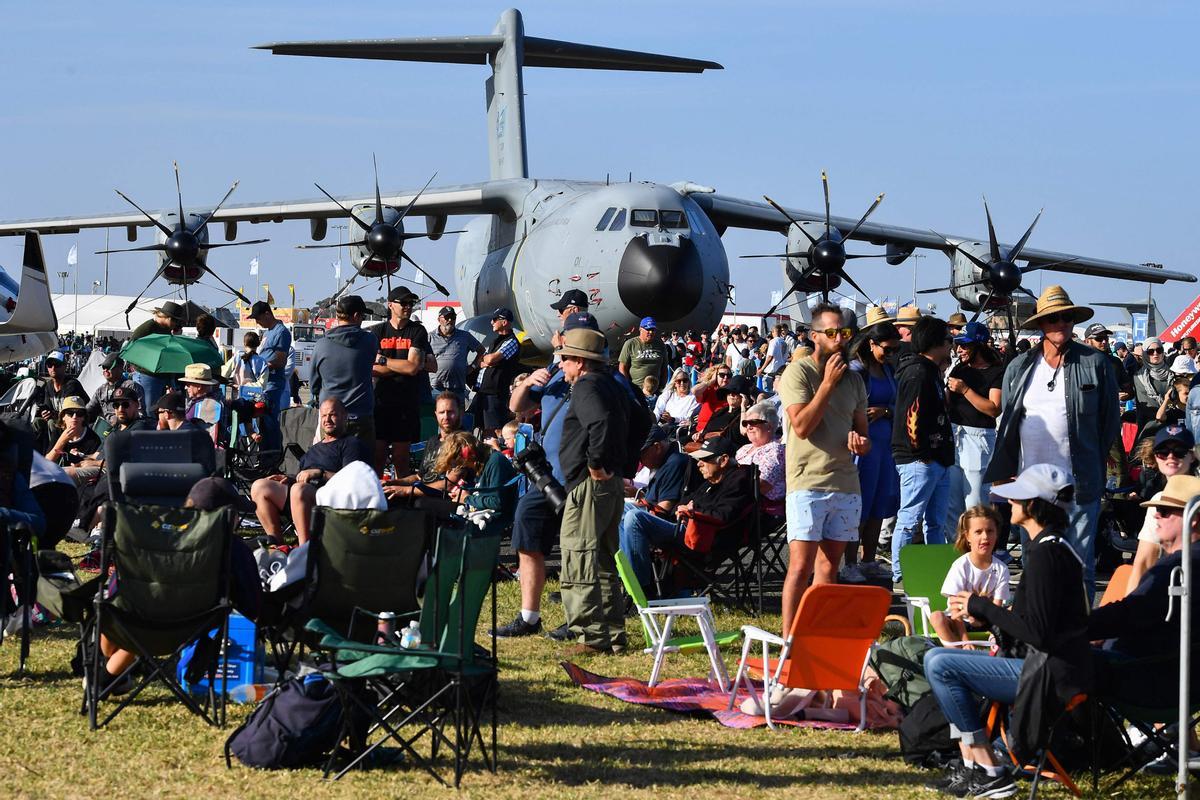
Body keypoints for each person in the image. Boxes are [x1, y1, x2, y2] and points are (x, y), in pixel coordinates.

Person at [924, 464, 1089, 799]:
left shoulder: (1045, 554)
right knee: (940, 655)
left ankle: (989, 769)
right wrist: (987, 619)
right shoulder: (1052, 548)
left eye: (1017, 499)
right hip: (1049, 666)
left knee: (940, 664)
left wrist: (981, 607)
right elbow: (1037, 621)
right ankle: (973, 764)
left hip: (1045, 675)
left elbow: (1038, 633)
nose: (1009, 505)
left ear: (1033, 506)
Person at [984, 285, 1120, 598]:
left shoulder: (1095, 363)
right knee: (1034, 565)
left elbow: (1109, 422)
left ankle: (1081, 639)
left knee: (1078, 566)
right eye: (1053, 318)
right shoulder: (1019, 367)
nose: (1061, 323)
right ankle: (1038, 636)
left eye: (1067, 318)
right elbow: (1007, 421)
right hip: (1030, 485)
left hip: (1079, 482)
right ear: (1042, 324)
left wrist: (1092, 461)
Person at [494, 313, 596, 639]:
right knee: (526, 525)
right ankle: (529, 616)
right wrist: (527, 381)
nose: (561, 338)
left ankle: (578, 617)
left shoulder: (597, 379)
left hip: (579, 477)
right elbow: (516, 406)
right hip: (546, 476)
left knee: (575, 548)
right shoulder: (554, 373)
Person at [778, 303, 869, 635]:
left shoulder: (855, 380)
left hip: (845, 482)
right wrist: (827, 384)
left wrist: (861, 442)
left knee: (830, 567)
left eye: (844, 332)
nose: (839, 339)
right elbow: (801, 426)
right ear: (814, 336)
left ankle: (817, 636)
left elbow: (865, 436)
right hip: (807, 481)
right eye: (831, 332)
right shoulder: (798, 373)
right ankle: (790, 641)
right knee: (800, 567)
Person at [553, 327, 629, 655]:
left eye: (566, 359)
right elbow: (641, 419)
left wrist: (596, 464)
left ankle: (592, 639)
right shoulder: (610, 384)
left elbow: (599, 424)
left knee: (579, 559)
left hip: (590, 484)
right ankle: (613, 633)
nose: (562, 365)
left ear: (580, 363)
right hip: (609, 482)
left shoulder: (585, 387)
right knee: (603, 561)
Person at [619, 437, 754, 596]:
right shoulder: (710, 481)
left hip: (702, 534)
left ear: (723, 460)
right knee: (622, 508)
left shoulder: (737, 481)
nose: (699, 464)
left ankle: (640, 588)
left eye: (705, 459)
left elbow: (725, 515)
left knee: (635, 518)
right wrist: (684, 509)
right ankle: (627, 576)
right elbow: (682, 503)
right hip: (683, 525)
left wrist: (693, 513)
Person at [250, 397, 372, 546]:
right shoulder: (315, 448)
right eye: (324, 416)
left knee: (298, 489)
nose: (327, 419)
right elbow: (303, 475)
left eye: (333, 415)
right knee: (260, 486)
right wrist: (288, 478)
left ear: (344, 417)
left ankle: (305, 549)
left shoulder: (351, 444)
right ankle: (277, 544)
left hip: (329, 501)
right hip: (300, 496)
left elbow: (353, 483)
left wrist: (320, 473)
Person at [890, 316, 955, 585]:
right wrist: (921, 452)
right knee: (910, 518)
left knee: (935, 521)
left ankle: (936, 569)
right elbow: (912, 416)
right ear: (936, 343)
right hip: (921, 459)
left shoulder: (930, 371)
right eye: (949, 340)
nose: (952, 346)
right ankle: (900, 573)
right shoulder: (918, 372)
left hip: (937, 457)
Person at [845, 320, 900, 581]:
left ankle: (868, 560)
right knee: (860, 506)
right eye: (887, 349)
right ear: (871, 344)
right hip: (862, 447)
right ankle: (850, 563)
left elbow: (898, 405)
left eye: (894, 350)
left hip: (884, 445)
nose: (891, 354)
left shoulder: (887, 370)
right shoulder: (856, 370)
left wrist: (886, 411)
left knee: (878, 504)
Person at [944, 321, 1003, 533]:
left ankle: (981, 552)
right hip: (955, 433)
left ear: (979, 346)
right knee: (952, 504)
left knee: (975, 502)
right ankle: (955, 554)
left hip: (978, 438)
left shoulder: (996, 371)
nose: (959, 349)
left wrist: (965, 389)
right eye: (957, 344)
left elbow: (994, 408)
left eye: (965, 345)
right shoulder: (959, 367)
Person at [1127, 424, 1198, 593]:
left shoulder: (1197, 496)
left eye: (1179, 451)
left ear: (1192, 456)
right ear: (1155, 457)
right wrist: (1128, 608)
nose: (1170, 457)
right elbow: (1143, 562)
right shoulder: (1158, 500)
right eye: (1163, 452)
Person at [927, 505, 1010, 644]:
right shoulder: (961, 566)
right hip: (960, 621)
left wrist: (989, 626)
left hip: (988, 621)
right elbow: (955, 609)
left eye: (990, 531)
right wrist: (965, 641)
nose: (985, 537)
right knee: (936, 617)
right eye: (978, 532)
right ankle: (956, 649)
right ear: (968, 537)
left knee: (1014, 611)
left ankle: (995, 643)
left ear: (997, 534)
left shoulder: (1001, 569)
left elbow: (997, 608)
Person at [373, 287, 430, 476]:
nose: (408, 306)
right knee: (378, 455)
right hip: (380, 402)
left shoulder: (417, 331)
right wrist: (401, 366)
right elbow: (371, 369)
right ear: (390, 305)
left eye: (411, 303)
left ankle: (401, 496)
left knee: (401, 457)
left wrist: (383, 360)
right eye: (403, 303)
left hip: (406, 403)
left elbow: (412, 367)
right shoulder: (378, 331)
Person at [310, 295, 379, 446]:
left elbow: (314, 384)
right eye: (363, 316)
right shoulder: (370, 341)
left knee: (329, 464)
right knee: (361, 466)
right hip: (360, 417)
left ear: (337, 315)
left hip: (330, 419)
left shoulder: (321, 345)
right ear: (356, 316)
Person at [469, 307, 522, 440]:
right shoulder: (496, 341)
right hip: (483, 392)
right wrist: (486, 360)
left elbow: (491, 359)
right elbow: (483, 360)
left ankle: (497, 452)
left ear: (504, 322)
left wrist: (489, 360)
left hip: (495, 394)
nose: (491, 322)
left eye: (494, 319)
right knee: (474, 423)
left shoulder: (511, 342)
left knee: (494, 429)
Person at [249, 301, 292, 453]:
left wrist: (262, 366)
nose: (257, 322)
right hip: (263, 383)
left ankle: (272, 454)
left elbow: (281, 361)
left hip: (272, 383)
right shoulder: (268, 332)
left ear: (267, 314)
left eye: (258, 318)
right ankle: (265, 453)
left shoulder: (281, 332)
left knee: (269, 421)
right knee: (262, 421)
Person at [128, 301, 185, 409]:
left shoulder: (166, 330)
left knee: (156, 410)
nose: (176, 324)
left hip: (159, 376)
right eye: (175, 321)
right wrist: (142, 367)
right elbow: (130, 348)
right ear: (169, 318)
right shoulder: (148, 328)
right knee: (148, 410)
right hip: (147, 375)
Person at [735, 401, 785, 517]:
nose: (748, 426)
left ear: (769, 426)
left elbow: (761, 486)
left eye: (753, 422)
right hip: (737, 501)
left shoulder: (776, 451)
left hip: (759, 509)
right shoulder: (743, 449)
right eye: (746, 423)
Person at [31, 351, 86, 452]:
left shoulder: (71, 384)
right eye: (49, 365)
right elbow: (47, 407)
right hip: (59, 420)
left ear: (65, 366)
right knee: (37, 422)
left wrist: (51, 414)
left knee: (52, 423)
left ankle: (55, 454)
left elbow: (69, 411)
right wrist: (45, 413)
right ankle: (36, 454)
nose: (53, 368)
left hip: (75, 421)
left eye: (57, 364)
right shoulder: (48, 385)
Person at [429, 305, 483, 403]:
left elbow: (481, 351)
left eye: (453, 317)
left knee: (457, 417)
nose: (450, 320)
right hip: (435, 389)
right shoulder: (430, 337)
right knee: (436, 417)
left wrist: (473, 366)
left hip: (457, 388)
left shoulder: (465, 336)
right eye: (446, 317)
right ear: (439, 319)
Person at [690, 375, 752, 449]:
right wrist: (699, 436)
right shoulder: (719, 412)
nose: (731, 394)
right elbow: (706, 431)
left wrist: (743, 407)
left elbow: (745, 431)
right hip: (707, 447)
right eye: (729, 392)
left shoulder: (747, 413)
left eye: (735, 392)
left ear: (743, 396)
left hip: (729, 452)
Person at [86, 354, 143, 427]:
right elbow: (88, 410)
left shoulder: (130, 386)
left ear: (120, 368)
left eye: (109, 367)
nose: (105, 370)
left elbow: (140, 413)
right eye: (104, 367)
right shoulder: (101, 390)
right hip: (106, 430)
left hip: (128, 428)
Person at [179, 363, 225, 446]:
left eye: (188, 384)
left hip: (198, 450)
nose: (185, 387)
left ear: (199, 386)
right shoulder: (210, 400)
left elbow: (186, 429)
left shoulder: (206, 405)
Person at [619, 317, 669, 391]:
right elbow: (622, 368)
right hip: (636, 390)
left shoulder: (660, 344)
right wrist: (629, 387)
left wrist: (661, 387)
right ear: (640, 329)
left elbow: (664, 368)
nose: (651, 332)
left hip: (655, 390)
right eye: (648, 329)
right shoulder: (630, 344)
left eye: (653, 330)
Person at [1134, 336, 1173, 430]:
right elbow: (1147, 407)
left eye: (1159, 350)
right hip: (1150, 426)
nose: (1155, 354)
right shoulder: (1139, 377)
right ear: (1145, 354)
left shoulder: (1173, 373)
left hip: (1173, 423)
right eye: (1150, 351)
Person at [654, 368, 699, 434]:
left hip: (679, 429)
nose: (682, 383)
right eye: (679, 381)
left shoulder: (693, 398)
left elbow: (689, 417)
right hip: (662, 426)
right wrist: (653, 423)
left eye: (685, 380)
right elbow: (657, 411)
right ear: (675, 383)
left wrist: (673, 419)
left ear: (689, 382)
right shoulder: (668, 394)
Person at [691, 364, 733, 434]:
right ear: (715, 376)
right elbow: (694, 391)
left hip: (717, 433)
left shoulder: (732, 394)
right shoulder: (709, 390)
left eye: (729, 376)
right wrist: (711, 381)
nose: (725, 378)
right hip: (699, 431)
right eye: (722, 375)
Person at [759, 324, 792, 393]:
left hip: (772, 372)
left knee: (768, 394)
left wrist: (762, 368)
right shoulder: (784, 342)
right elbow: (785, 357)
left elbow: (770, 356)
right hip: (781, 371)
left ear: (773, 331)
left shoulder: (773, 341)